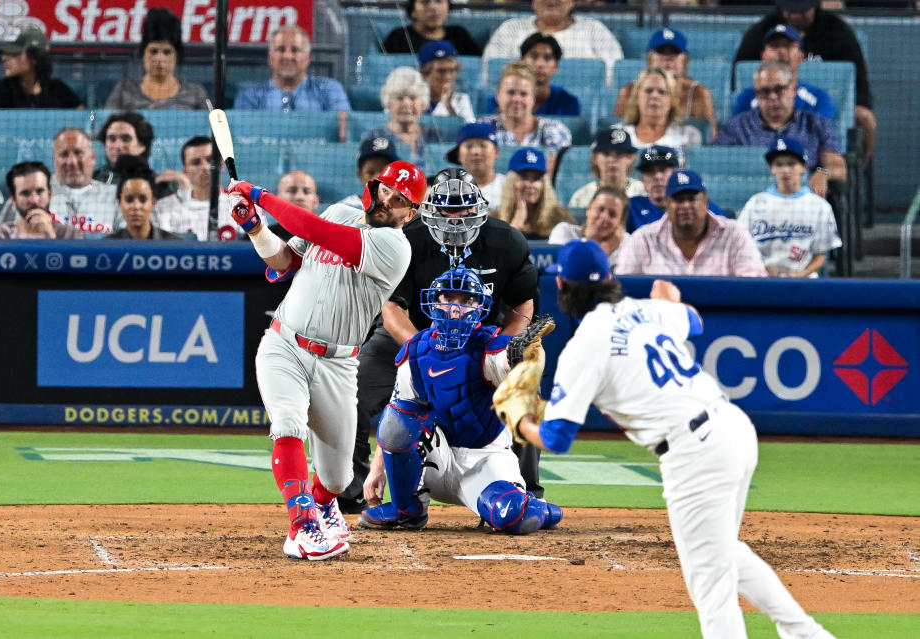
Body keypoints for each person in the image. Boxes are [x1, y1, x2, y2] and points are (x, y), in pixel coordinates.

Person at [498, 237, 837, 639]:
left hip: (695, 453)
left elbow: (556, 437)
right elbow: (694, 321)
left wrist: (520, 422)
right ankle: (807, 634)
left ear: (561, 288)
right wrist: (671, 301)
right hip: (733, 428)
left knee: (709, 579)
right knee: (723, 553)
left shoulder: (584, 346)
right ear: (610, 277)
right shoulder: (646, 310)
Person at [226, 161, 428, 560]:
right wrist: (255, 228)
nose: (388, 199)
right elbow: (285, 262)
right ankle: (301, 527)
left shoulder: (395, 246)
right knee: (287, 423)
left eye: (400, 198)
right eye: (386, 189)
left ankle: (321, 503)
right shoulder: (339, 211)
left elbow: (315, 231)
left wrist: (260, 196)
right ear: (374, 185)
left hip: (338, 363)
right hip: (284, 344)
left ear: (412, 212)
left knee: (338, 478)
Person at [338, 169, 539, 515]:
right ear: (428, 208)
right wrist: (430, 351)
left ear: (480, 208)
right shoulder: (405, 238)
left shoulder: (507, 241)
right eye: (447, 210)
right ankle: (349, 488)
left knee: (522, 387)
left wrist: (503, 350)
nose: (455, 219)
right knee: (353, 388)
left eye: (462, 210)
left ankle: (527, 488)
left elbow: (522, 305)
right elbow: (391, 308)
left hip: (482, 337)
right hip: (413, 333)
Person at [359, 267, 562, 533]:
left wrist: (524, 360)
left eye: (467, 301)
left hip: (484, 460)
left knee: (513, 517)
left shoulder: (490, 347)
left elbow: (513, 369)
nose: (456, 309)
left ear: (480, 306)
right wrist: (377, 470)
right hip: (435, 460)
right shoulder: (416, 352)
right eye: (449, 298)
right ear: (434, 302)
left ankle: (540, 509)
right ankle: (407, 510)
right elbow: (396, 419)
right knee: (398, 418)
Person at [733, 0, 875, 163]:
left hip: (819, 120)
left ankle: (855, 174)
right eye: (790, 11)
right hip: (761, 140)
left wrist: (824, 170)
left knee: (863, 117)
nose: (795, 15)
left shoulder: (838, 32)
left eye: (801, 11)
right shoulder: (760, 32)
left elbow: (861, 85)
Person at [715, 61, 846, 201]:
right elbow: (716, 167)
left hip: (802, 203)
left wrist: (823, 172)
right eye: (764, 92)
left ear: (793, 88)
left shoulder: (816, 124)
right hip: (750, 201)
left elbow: (838, 166)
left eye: (779, 90)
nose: (772, 97)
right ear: (756, 94)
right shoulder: (736, 128)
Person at [616, 169, 768, 277]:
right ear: (667, 204)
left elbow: (753, 281)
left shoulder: (734, 234)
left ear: (706, 202)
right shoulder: (644, 239)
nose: (686, 206)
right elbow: (624, 286)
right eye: (678, 200)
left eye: (692, 199)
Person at [738, 137, 841, 278]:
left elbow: (820, 256)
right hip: (761, 278)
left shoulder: (819, 206)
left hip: (805, 282)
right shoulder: (756, 203)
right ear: (772, 168)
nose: (785, 170)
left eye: (791, 164)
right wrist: (766, 269)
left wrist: (800, 275)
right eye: (779, 164)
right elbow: (743, 247)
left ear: (803, 167)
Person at [234, 26, 351, 141]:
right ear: (270, 57)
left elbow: (344, 134)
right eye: (280, 49)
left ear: (307, 58)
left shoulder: (330, 89)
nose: (288, 56)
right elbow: (242, 139)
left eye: (295, 50)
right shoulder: (250, 96)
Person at [613, 28, 717, 139]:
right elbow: (619, 131)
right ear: (649, 59)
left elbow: (709, 138)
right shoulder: (629, 90)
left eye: (675, 52)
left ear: (685, 61)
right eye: (661, 51)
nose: (668, 58)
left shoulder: (698, 92)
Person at [482, 0, 623, 81]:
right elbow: (488, 72)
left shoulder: (594, 29)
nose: (552, 0)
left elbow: (616, 73)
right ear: (533, 2)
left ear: (571, 2)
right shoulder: (510, 29)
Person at [105, 8, 209, 110]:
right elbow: (106, 124)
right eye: (153, 51)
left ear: (177, 55)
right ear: (143, 53)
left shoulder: (195, 92)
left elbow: (213, 125)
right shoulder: (124, 90)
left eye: (167, 52)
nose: (159, 58)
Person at [480, 62, 572, 172]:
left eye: (523, 94)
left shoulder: (556, 130)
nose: (517, 99)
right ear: (497, 96)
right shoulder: (482, 128)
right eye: (511, 92)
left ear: (533, 98)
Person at [732, 25, 835, 120]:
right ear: (763, 56)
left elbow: (822, 135)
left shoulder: (819, 99)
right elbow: (737, 135)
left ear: (801, 56)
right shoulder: (746, 99)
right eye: (774, 46)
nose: (781, 51)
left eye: (788, 46)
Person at [627, 145, 726, 233]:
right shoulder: (631, 207)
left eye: (663, 170)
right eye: (650, 171)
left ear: (678, 173)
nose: (657, 176)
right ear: (642, 178)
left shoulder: (703, 207)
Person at [614, 67, 702, 164]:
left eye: (662, 92)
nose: (654, 96)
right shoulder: (616, 134)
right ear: (636, 98)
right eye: (648, 91)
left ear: (672, 100)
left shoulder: (688, 135)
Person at [360, 67, 444, 170]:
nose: (407, 104)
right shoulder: (373, 138)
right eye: (399, 98)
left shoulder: (437, 138)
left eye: (413, 98)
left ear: (423, 103)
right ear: (388, 102)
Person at [153, 136, 236, 241]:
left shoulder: (242, 206)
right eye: (196, 162)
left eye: (210, 160)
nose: (205, 167)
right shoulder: (164, 208)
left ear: (222, 164)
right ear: (185, 170)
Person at [0, 27, 82, 109]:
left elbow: (90, 117)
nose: (4, 58)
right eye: (6, 53)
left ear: (35, 58)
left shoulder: (58, 89)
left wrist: (91, 122)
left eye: (14, 53)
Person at [485, 33, 580, 117]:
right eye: (534, 57)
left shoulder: (568, 103)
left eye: (547, 58)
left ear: (556, 66)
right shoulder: (497, 101)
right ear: (522, 61)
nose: (540, 64)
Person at [0, 161, 82, 239]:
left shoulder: (71, 235)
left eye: (40, 191)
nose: (34, 200)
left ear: (49, 194)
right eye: (25, 193)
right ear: (14, 200)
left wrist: (50, 236)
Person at [49, 127, 118, 234]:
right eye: (64, 154)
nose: (72, 161)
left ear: (92, 157)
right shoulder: (38, 195)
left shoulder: (115, 196)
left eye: (78, 153)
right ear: (54, 160)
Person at [496, 147, 573, 241]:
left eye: (536, 178)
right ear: (511, 182)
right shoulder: (496, 221)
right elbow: (496, 254)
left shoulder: (560, 218)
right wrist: (518, 220)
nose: (530, 185)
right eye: (524, 177)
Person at [104, 156, 182, 240]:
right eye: (129, 200)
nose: (136, 206)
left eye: (143, 199)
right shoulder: (106, 245)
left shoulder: (175, 244)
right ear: (120, 204)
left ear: (153, 203)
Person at [548, 186, 629, 268]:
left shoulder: (628, 243)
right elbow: (571, 271)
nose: (604, 217)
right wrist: (605, 248)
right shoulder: (564, 232)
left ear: (620, 222)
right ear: (588, 209)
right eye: (600, 209)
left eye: (612, 214)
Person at [567, 128, 645, 209]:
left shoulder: (644, 193)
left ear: (631, 158)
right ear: (595, 158)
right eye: (606, 154)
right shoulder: (581, 197)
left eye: (619, 153)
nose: (612, 160)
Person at [381, 0, 481, 56]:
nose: (433, 7)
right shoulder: (399, 37)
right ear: (413, 10)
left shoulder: (459, 35)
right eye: (425, 2)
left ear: (448, 7)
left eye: (439, 1)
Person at [444, 122, 505, 212]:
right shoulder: (444, 189)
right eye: (469, 146)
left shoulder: (508, 186)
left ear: (496, 152)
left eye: (483, 145)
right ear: (459, 155)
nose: (476, 152)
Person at [418, 41, 475, 122]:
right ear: (424, 73)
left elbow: (470, 132)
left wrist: (449, 107)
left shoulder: (461, 99)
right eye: (441, 71)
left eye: (452, 70)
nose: (448, 77)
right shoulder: (411, 98)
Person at [338, 137, 400, 209]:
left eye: (384, 172)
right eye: (371, 173)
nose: (378, 178)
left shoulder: (409, 210)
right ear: (360, 174)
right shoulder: (344, 208)